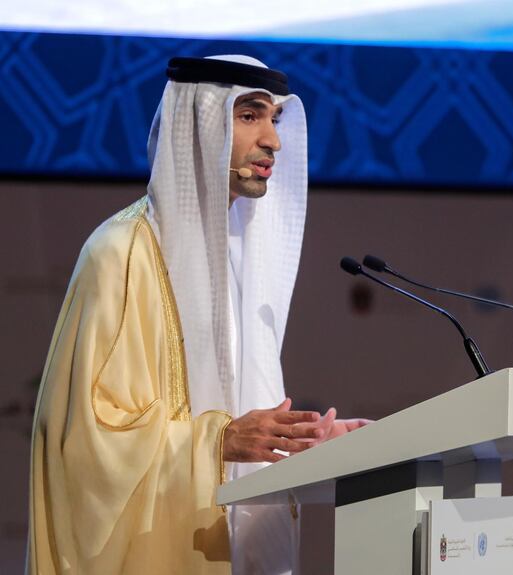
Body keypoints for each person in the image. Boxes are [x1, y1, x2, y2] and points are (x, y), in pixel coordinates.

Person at [27, 55, 367, 575]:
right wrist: (218, 441)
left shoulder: (240, 256)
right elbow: (83, 446)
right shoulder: (120, 253)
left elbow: (242, 418)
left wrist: (300, 443)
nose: (274, 140)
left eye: (275, 118)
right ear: (200, 124)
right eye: (250, 116)